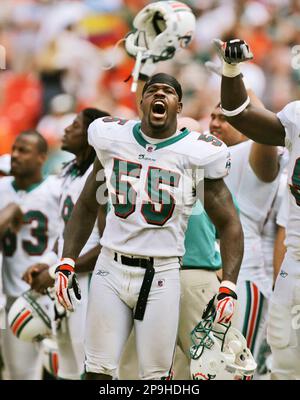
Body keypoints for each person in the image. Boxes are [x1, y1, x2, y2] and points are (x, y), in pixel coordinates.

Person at [54, 72, 243, 380]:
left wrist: (229, 285)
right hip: (110, 267)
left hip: (163, 272)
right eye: (152, 90)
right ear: (141, 101)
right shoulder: (113, 140)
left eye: (167, 91)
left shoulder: (196, 153)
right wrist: (67, 260)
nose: (159, 94)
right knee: (97, 370)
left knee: (155, 376)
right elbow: (87, 204)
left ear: (178, 106)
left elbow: (229, 223)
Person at [215, 37, 300, 380]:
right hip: (295, 259)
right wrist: (232, 69)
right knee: (283, 360)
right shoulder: (297, 116)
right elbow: (239, 113)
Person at [23, 108, 110, 380]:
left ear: (90, 135)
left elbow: (107, 245)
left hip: (90, 283)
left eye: (74, 125)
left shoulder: (100, 175)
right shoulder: (69, 172)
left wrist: (59, 269)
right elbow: (63, 234)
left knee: (91, 367)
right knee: (67, 368)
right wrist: (49, 262)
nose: (65, 130)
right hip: (67, 278)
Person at [0, 130, 61, 379]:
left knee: (65, 368)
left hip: (55, 293)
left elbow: (73, 237)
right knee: (20, 374)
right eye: (14, 149)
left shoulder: (57, 189)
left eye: (23, 150)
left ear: (41, 157)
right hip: (14, 296)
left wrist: (51, 266)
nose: (15, 155)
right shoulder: (2, 188)